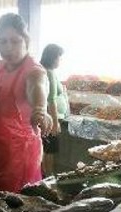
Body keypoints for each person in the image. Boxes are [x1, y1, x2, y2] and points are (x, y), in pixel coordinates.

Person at [0, 13, 52, 193]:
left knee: (18, 203)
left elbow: (37, 89)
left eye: (15, 41)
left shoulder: (34, 71)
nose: (8, 48)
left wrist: (40, 110)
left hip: (20, 155)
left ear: (26, 40)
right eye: (2, 41)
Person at [40, 43, 69, 176]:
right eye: (59, 57)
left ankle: (44, 175)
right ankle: (48, 177)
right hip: (51, 118)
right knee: (49, 150)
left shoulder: (45, 71)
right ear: (53, 57)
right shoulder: (49, 73)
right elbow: (50, 100)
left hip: (47, 117)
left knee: (46, 149)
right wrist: (55, 123)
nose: (60, 61)